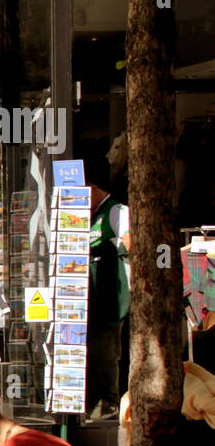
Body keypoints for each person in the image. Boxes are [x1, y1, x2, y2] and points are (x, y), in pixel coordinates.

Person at [86, 154, 131, 421]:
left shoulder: (116, 211)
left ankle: (110, 401)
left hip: (109, 297)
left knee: (105, 351)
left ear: (92, 189)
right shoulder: (84, 215)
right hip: (87, 297)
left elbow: (130, 243)